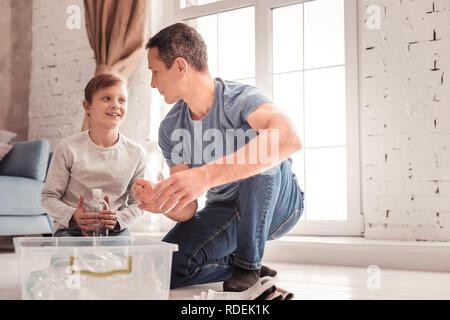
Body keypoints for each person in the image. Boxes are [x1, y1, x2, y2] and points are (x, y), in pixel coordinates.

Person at [133, 23, 304, 291]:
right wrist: (165, 201)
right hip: (224, 211)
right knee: (165, 267)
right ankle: (239, 263)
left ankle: (248, 264)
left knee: (261, 146)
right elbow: (188, 207)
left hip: (279, 206)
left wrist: (204, 176)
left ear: (180, 66)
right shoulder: (170, 128)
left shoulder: (241, 99)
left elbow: (289, 137)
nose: (153, 83)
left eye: (155, 72)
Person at [41, 73, 147, 237]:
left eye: (122, 100)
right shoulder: (68, 148)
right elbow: (48, 197)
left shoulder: (137, 153)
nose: (115, 105)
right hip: (70, 230)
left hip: (114, 231)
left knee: (121, 262)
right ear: (87, 107)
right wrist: (73, 215)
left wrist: (118, 218)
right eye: (107, 98)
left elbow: (139, 203)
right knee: (71, 262)